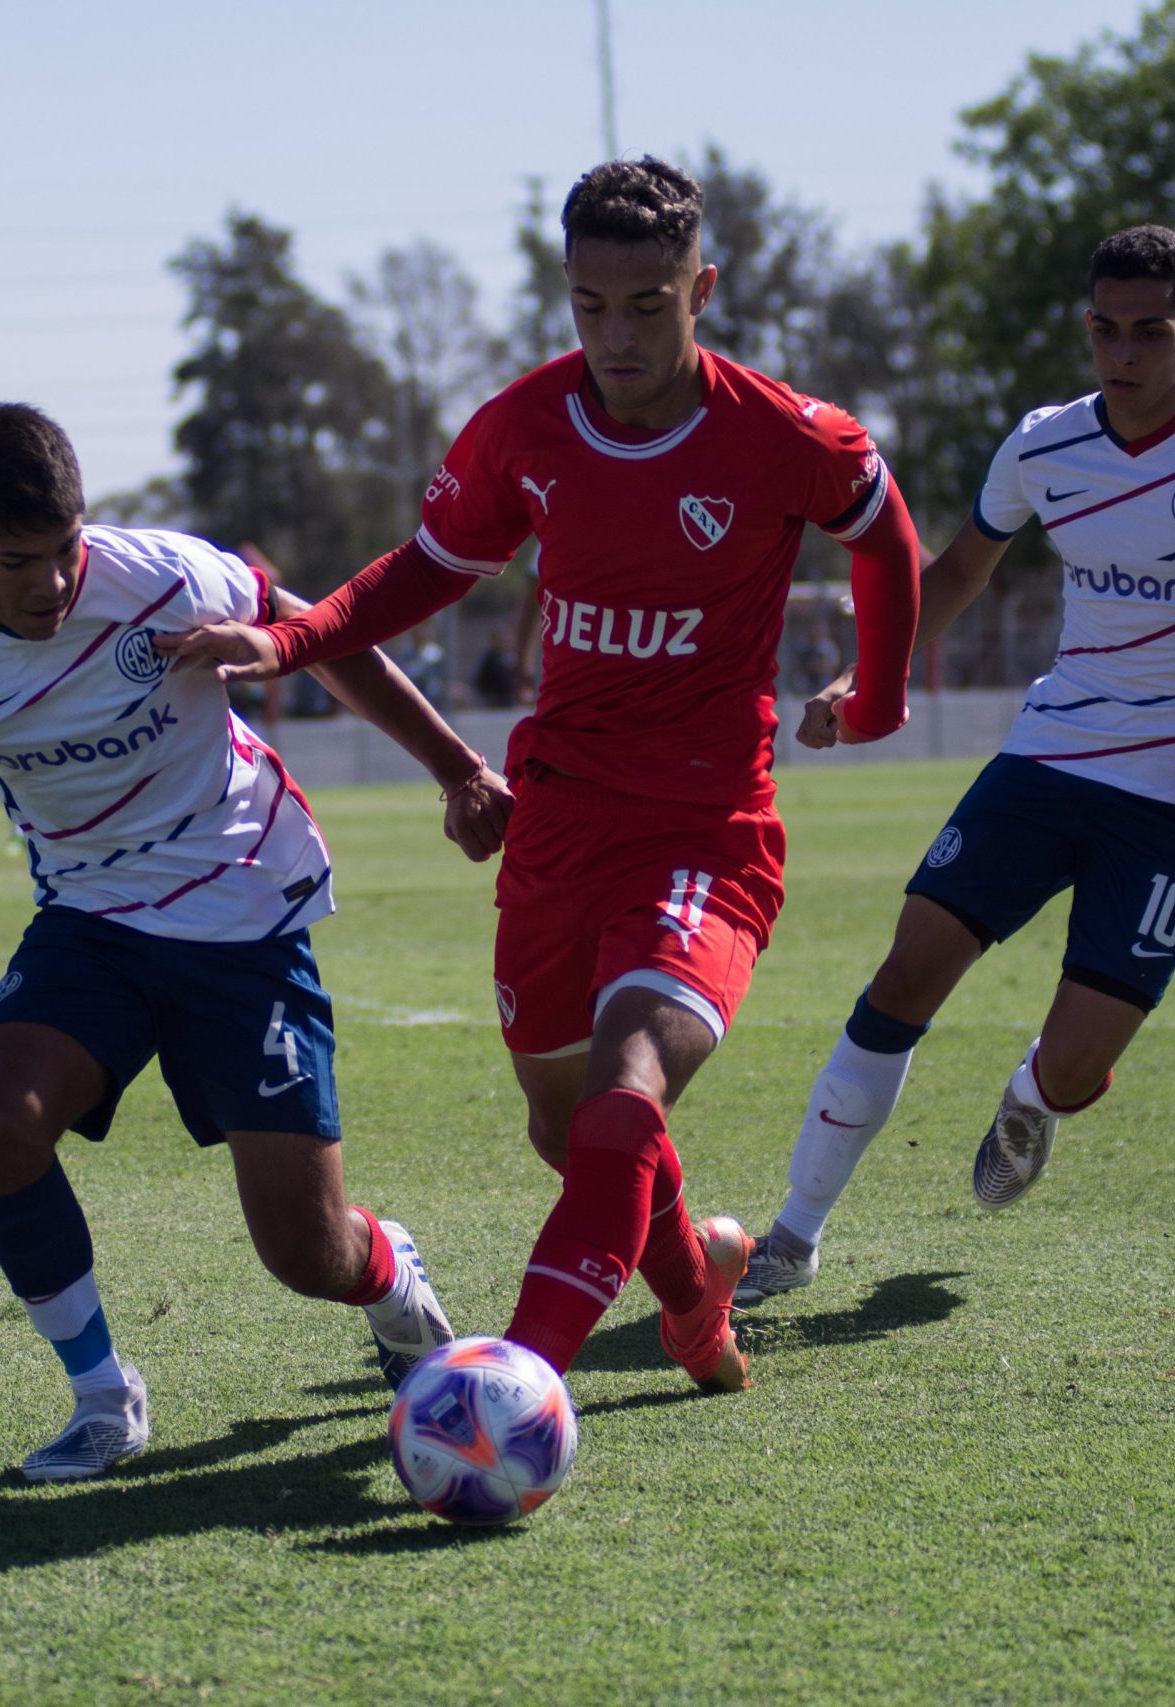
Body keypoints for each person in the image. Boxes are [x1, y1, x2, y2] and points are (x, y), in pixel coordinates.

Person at [165, 157, 925, 1396]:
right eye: (588, 305)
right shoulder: (525, 427)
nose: (614, 336)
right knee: (569, 1132)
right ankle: (692, 1305)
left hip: (705, 828)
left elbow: (884, 530)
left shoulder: (782, 434)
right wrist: (290, 640)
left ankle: (519, 1376)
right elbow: (427, 566)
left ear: (702, 290)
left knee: (626, 1096)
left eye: (645, 304)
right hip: (560, 822)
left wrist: (881, 694)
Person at [0, 404, 500, 1481]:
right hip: (89, 918)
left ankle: (390, 1275)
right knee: (1, 1118)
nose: (52, 584)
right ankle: (100, 1397)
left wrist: (457, 768)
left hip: (244, 911)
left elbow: (327, 641)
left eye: (66, 551)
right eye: (16, 559)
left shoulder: (167, 575)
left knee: (306, 1255)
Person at [730, 225, 1175, 1307]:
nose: (1122, 353)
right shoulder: (1042, 445)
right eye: (1105, 330)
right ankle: (793, 1236)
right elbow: (959, 571)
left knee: (1075, 1069)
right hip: (1051, 752)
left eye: (1148, 332)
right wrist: (858, 677)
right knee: (908, 967)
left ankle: (1031, 1095)